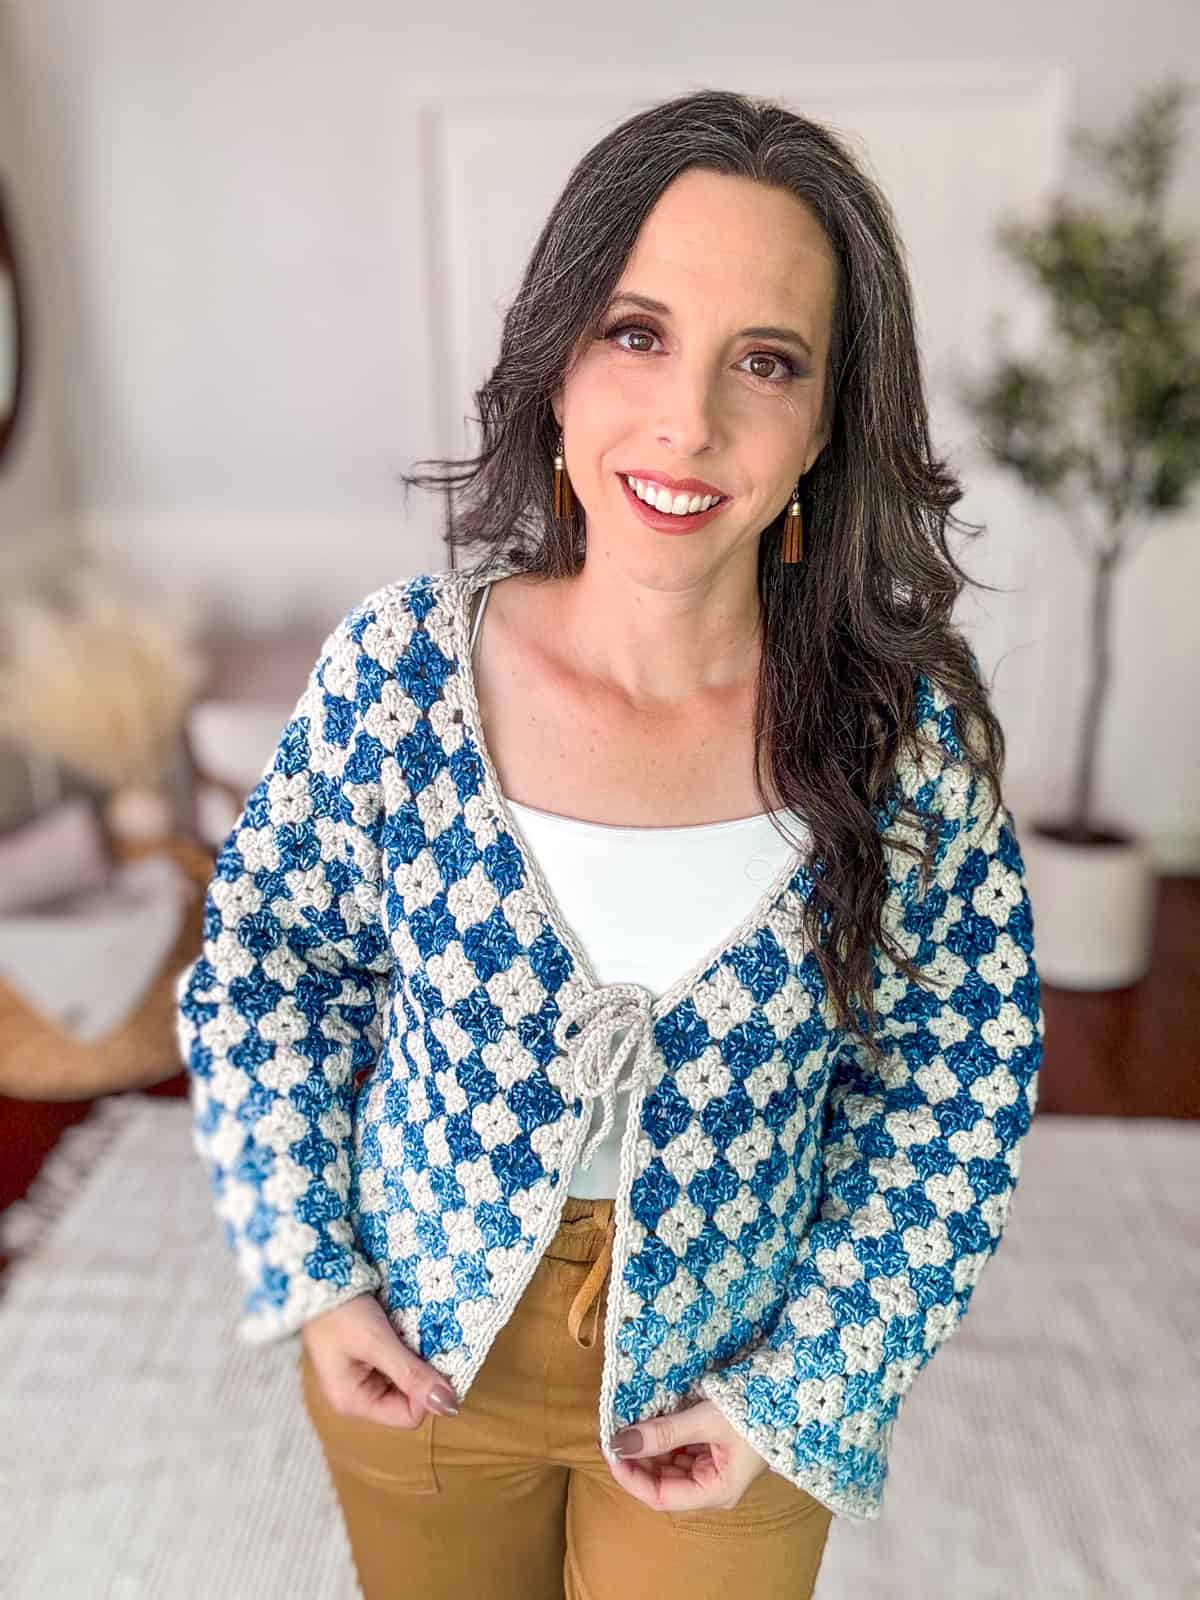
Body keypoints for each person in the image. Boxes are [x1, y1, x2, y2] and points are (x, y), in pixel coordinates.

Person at [175, 87, 1044, 1600]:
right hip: (417, 1363)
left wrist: (805, 1387)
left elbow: (955, 1080)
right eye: (637, 333)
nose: (687, 422)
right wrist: (313, 1275)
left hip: (733, 1390)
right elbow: (268, 970)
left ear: (829, 420)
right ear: (558, 364)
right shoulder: (398, 679)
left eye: (763, 362)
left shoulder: (901, 749)